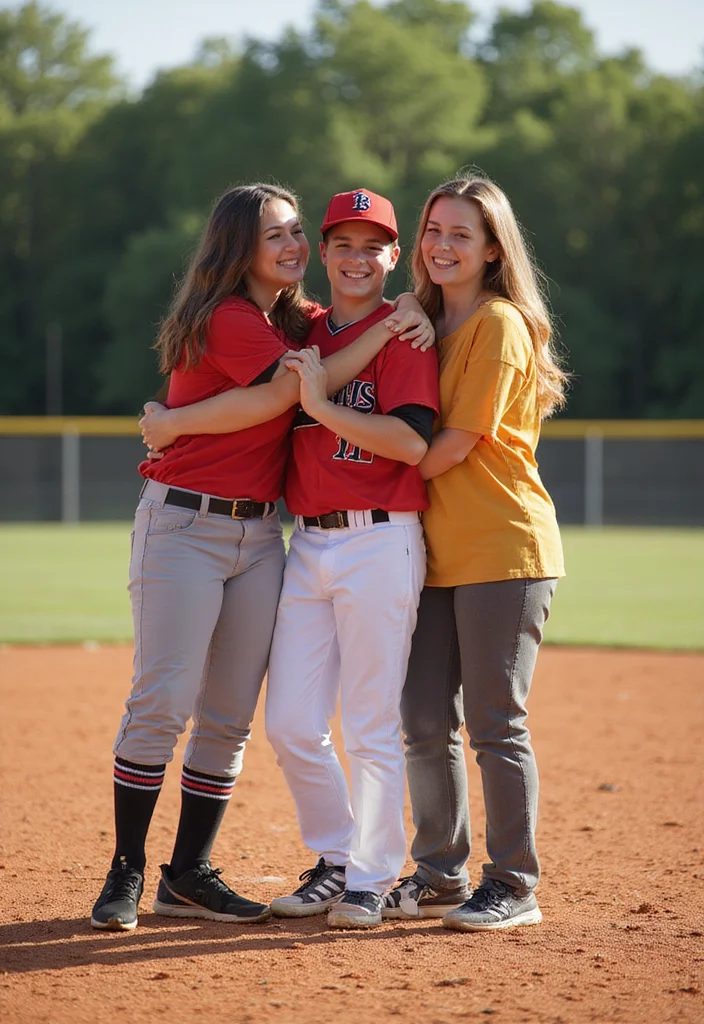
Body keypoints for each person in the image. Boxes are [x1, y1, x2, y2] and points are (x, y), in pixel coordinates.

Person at [91, 182, 430, 932]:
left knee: (229, 718)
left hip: (261, 538)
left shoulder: (298, 319)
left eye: (296, 232)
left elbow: (324, 352)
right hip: (185, 526)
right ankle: (127, 869)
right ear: (237, 244)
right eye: (274, 234)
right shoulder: (229, 316)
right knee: (162, 702)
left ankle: (189, 874)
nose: (293, 246)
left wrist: (406, 309)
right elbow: (286, 395)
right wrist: (173, 422)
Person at [381, 176, 568, 931]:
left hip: (503, 545)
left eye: (462, 233)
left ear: (493, 249)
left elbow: (452, 446)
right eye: (433, 229)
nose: (442, 244)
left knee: (494, 720)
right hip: (433, 554)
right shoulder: (422, 320)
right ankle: (440, 873)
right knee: (424, 716)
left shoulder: (496, 324)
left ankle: (514, 883)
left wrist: (366, 464)